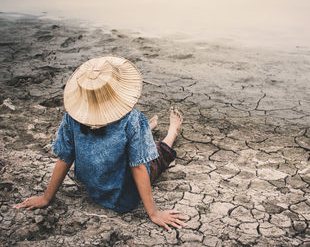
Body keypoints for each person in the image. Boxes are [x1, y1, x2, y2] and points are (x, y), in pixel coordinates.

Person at [13, 56, 187, 231]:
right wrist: (154, 213)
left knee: (133, 139)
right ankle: (172, 131)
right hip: (122, 197)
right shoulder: (132, 119)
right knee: (158, 156)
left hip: (93, 187)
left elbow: (65, 157)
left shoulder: (72, 117)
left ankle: (147, 129)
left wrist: (46, 197)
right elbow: (139, 167)